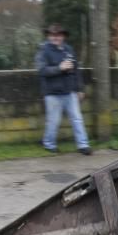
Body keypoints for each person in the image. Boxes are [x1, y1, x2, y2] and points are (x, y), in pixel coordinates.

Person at [35, 24, 91, 155]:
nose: (55, 37)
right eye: (52, 35)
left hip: (70, 91)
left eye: (58, 35)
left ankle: (83, 145)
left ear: (63, 36)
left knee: (77, 118)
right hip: (52, 93)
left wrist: (80, 89)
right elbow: (42, 70)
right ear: (49, 36)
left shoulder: (69, 49)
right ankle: (49, 144)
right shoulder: (43, 51)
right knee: (53, 121)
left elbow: (76, 70)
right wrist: (59, 68)